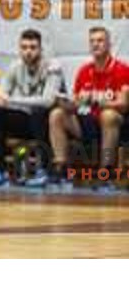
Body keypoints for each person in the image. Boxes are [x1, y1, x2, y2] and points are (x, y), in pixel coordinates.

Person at [0, 29, 66, 187]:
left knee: (39, 112)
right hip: (24, 120)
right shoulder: (15, 67)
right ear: (19, 49)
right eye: (24, 47)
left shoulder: (53, 67)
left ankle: (43, 170)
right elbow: (1, 95)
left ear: (41, 49)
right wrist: (1, 99)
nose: (28, 52)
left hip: (48, 122)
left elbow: (47, 101)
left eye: (33, 48)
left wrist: (13, 100)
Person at [49, 27, 129, 193]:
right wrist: (66, 103)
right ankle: (61, 168)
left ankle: (105, 171)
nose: (95, 45)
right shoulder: (85, 71)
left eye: (100, 41)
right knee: (57, 114)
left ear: (109, 45)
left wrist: (97, 101)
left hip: (114, 124)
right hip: (87, 121)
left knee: (108, 116)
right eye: (92, 41)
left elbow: (123, 104)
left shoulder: (122, 69)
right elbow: (77, 103)